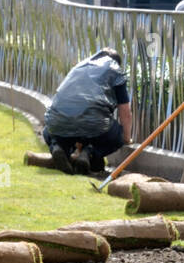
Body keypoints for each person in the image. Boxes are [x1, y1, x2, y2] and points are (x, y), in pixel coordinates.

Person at [43, 48, 132, 176]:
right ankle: (89, 153)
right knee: (117, 136)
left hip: (60, 120)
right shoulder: (115, 70)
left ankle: (58, 147)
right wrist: (126, 138)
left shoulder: (79, 67)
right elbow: (125, 112)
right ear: (117, 62)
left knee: (50, 130)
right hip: (94, 125)